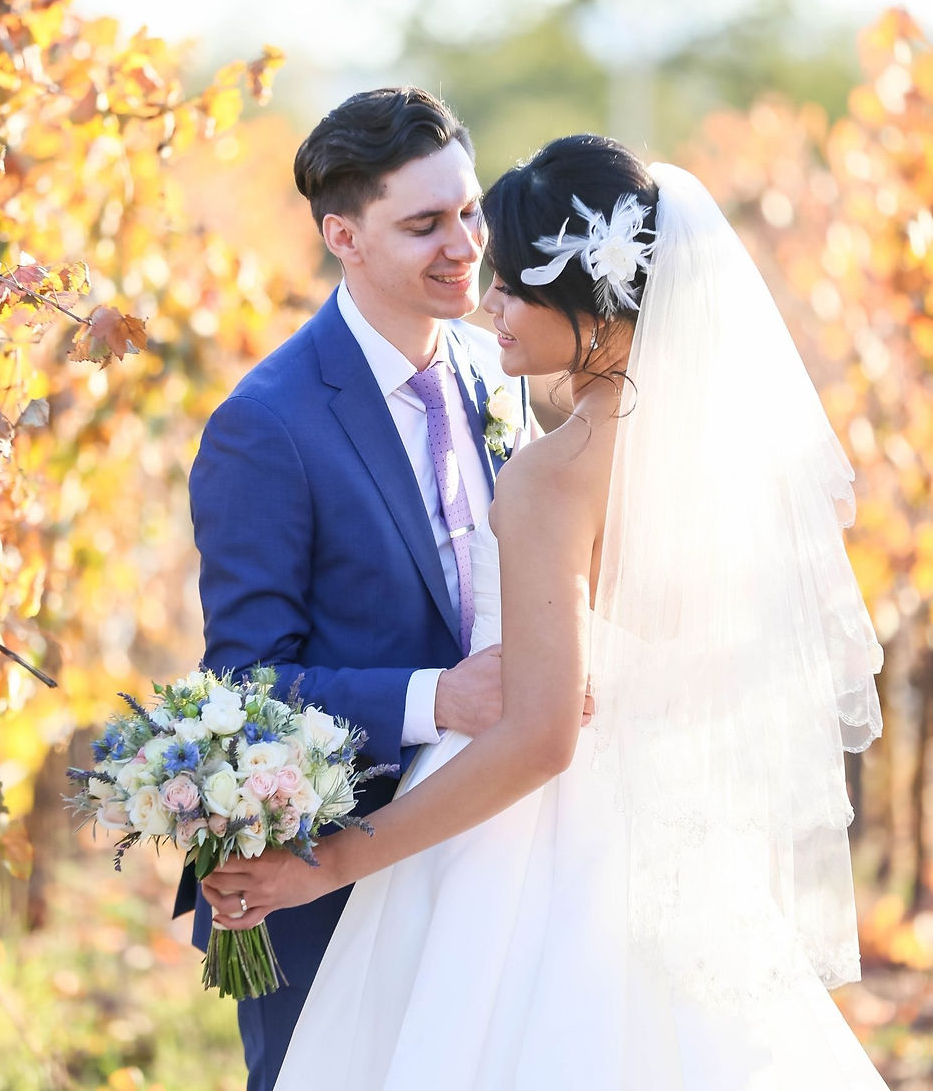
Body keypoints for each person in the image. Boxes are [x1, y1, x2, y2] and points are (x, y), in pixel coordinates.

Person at [204, 135, 888, 1090]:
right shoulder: (681, 454)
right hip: (648, 828)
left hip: (515, 839)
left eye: (510, 280)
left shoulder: (545, 459)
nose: (486, 296)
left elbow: (541, 736)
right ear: (343, 236)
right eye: (428, 224)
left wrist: (330, 863)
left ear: (591, 301)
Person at [174, 86, 551, 1090]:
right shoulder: (265, 423)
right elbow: (245, 688)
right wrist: (440, 698)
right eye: (424, 225)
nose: (465, 246)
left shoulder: (499, 373)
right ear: (342, 236)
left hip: (497, 848)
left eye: (469, 211)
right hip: (324, 877)